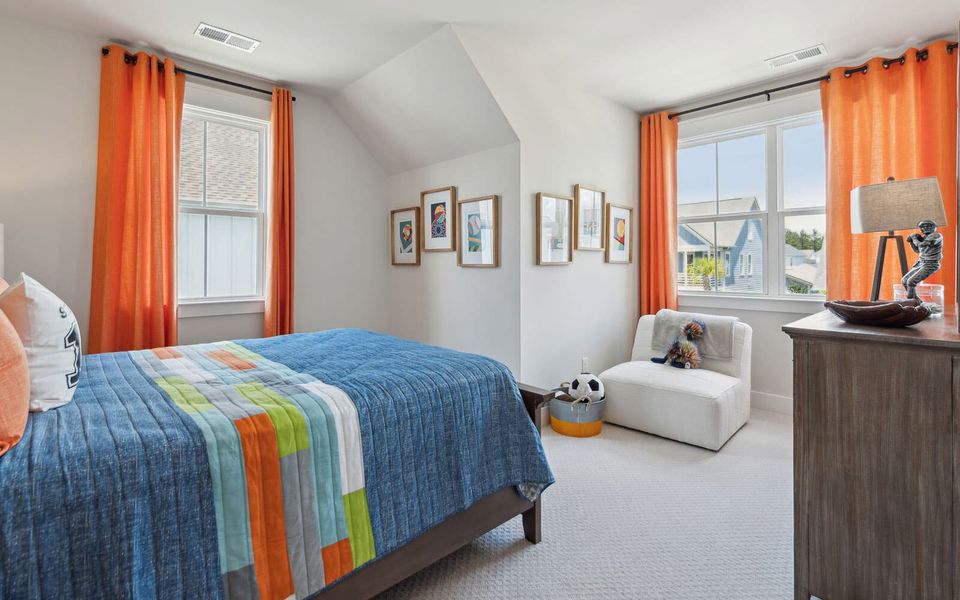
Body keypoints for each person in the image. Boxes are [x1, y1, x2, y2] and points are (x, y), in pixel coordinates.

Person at [902, 219, 942, 300]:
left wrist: (914, 238)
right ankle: (916, 301)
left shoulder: (936, 236)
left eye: (928, 226)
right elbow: (917, 250)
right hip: (921, 263)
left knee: (911, 282)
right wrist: (911, 242)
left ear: (934, 227)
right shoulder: (924, 237)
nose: (925, 228)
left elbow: (922, 245)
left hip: (931, 264)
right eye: (923, 226)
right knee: (904, 280)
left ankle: (910, 302)